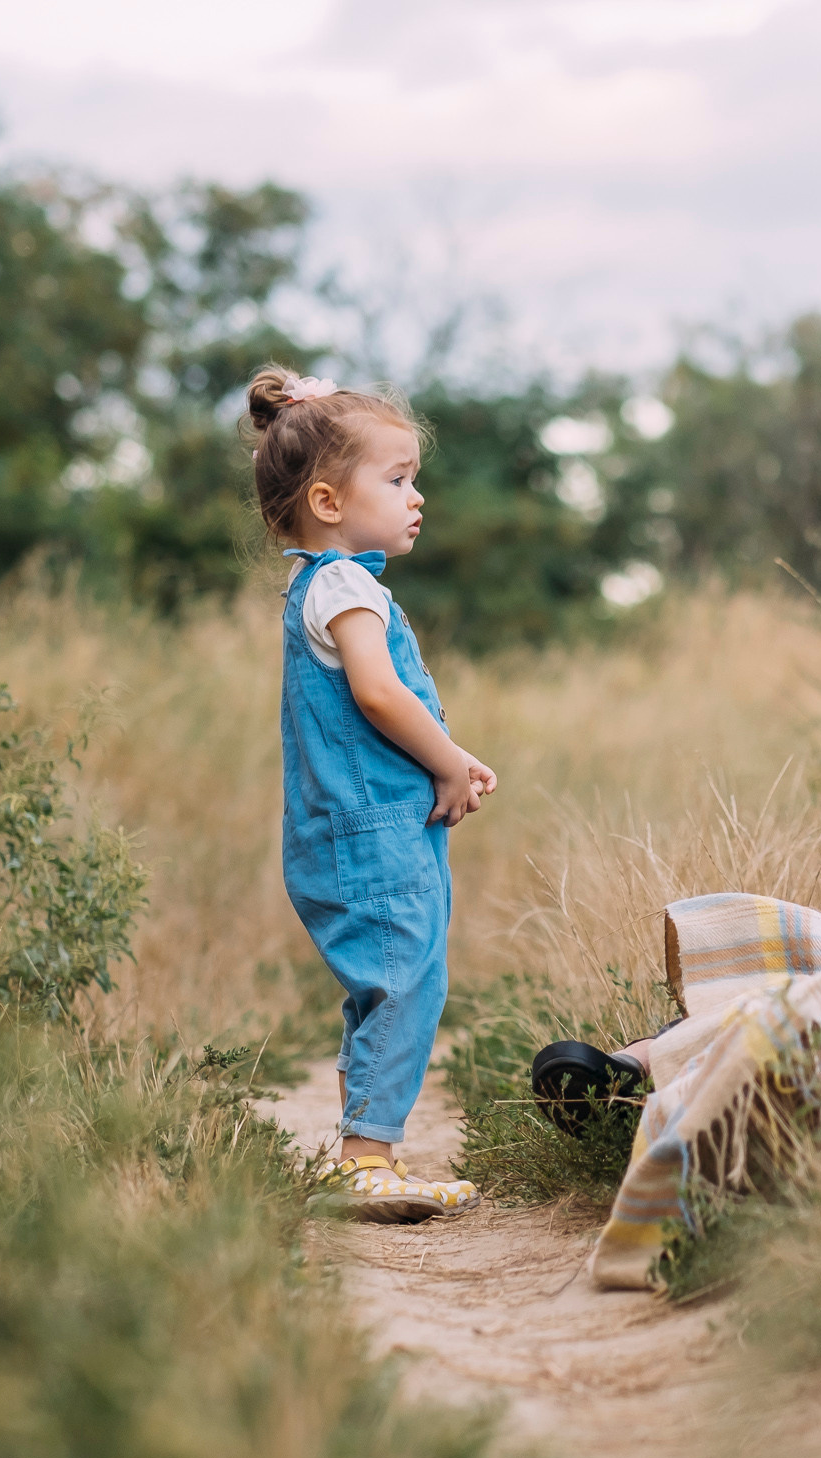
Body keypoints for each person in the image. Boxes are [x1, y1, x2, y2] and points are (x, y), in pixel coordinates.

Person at [249, 366, 496, 1220]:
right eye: (396, 480)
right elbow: (380, 695)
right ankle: (364, 1161)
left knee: (388, 981)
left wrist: (449, 756)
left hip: (363, 827)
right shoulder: (346, 584)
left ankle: (369, 1150)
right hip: (371, 832)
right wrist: (448, 765)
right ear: (326, 501)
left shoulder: (324, 584)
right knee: (405, 980)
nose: (416, 496)